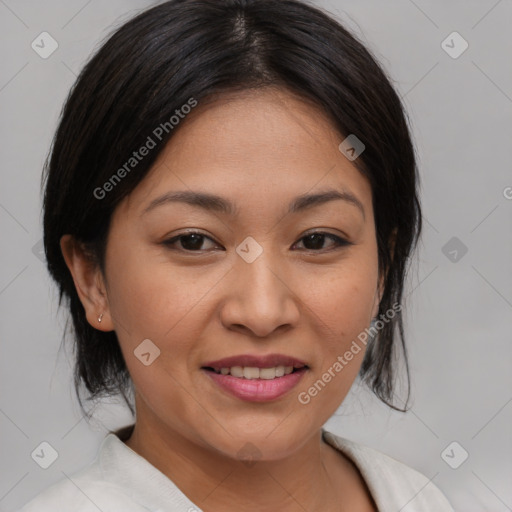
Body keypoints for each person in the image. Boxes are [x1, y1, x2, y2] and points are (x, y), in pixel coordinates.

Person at [19, 0, 455, 510]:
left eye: (317, 240)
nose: (263, 311)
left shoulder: (419, 499)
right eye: (193, 241)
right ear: (92, 277)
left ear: (383, 268)